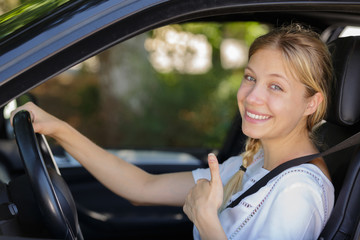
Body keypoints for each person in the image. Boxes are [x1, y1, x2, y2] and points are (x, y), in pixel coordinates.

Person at [11, 23, 334, 239]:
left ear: (311, 103)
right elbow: (143, 187)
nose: (252, 96)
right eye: (250, 78)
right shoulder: (252, 163)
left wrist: (206, 220)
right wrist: (60, 129)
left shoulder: (296, 192)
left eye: (276, 86)